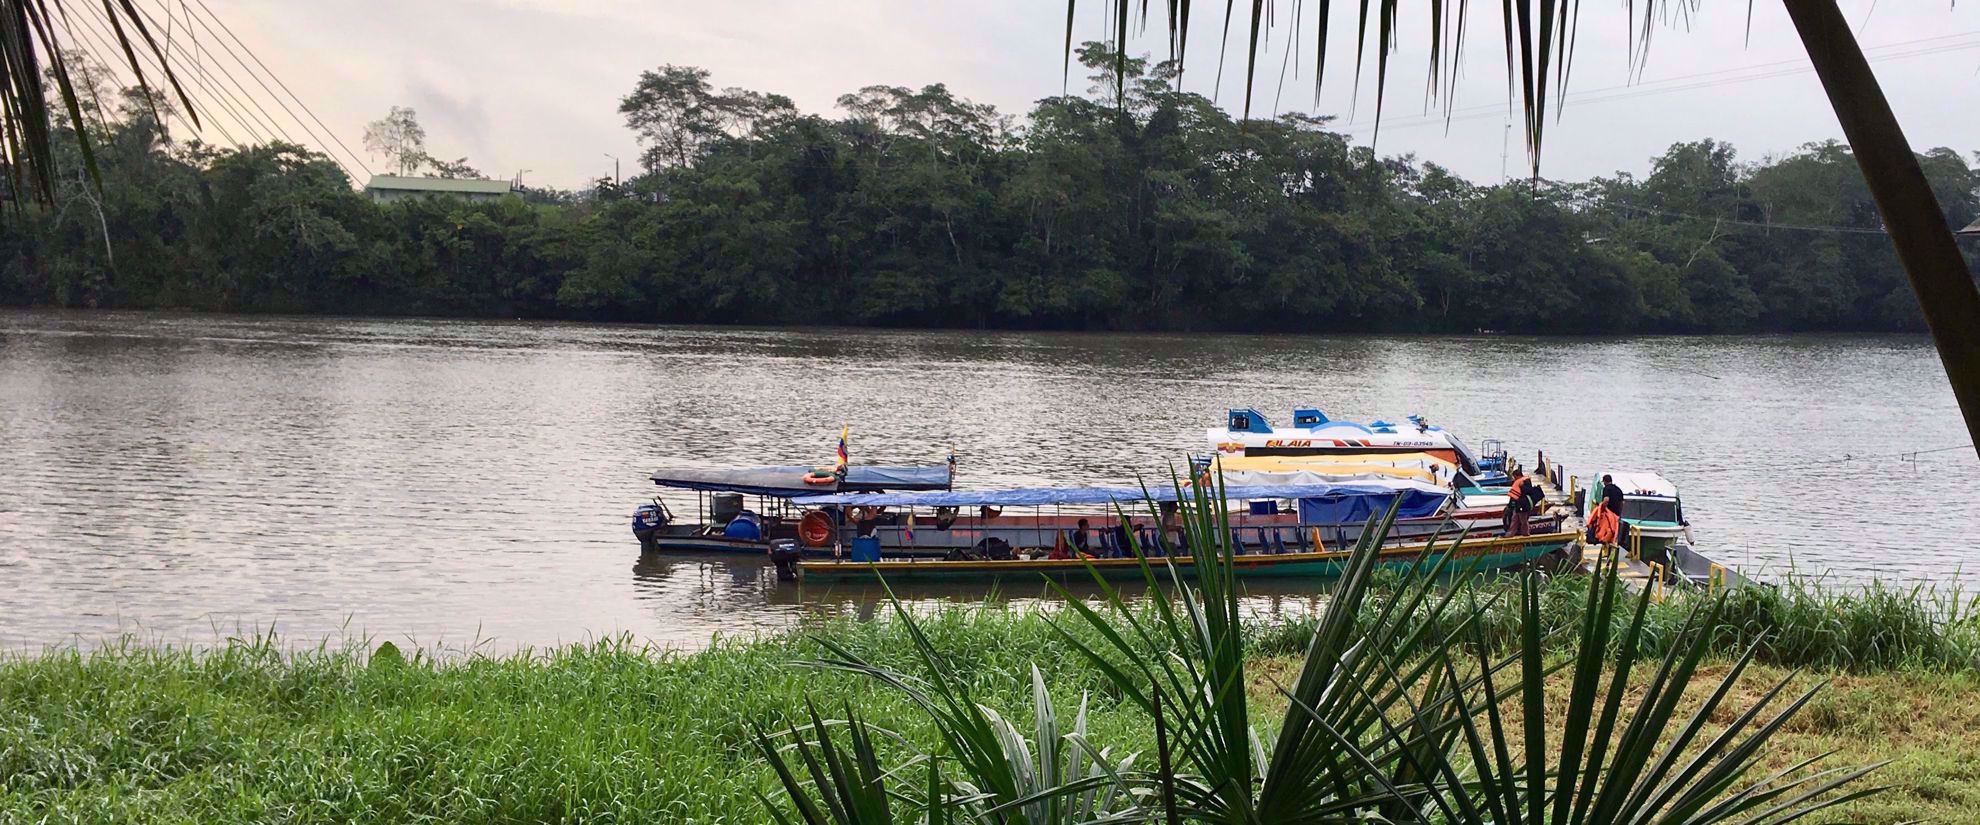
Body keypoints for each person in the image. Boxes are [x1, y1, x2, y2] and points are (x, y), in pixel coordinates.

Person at [1503, 469, 1533, 537]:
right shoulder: (1517, 482)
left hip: (1523, 504)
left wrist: (1522, 486)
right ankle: (1510, 534)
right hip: (1517, 504)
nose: (1515, 479)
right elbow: (1513, 496)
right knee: (1514, 519)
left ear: (1518, 476)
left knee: (1523, 520)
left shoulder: (1526, 481)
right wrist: (1510, 505)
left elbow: (1529, 491)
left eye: (1515, 477)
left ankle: (1526, 534)